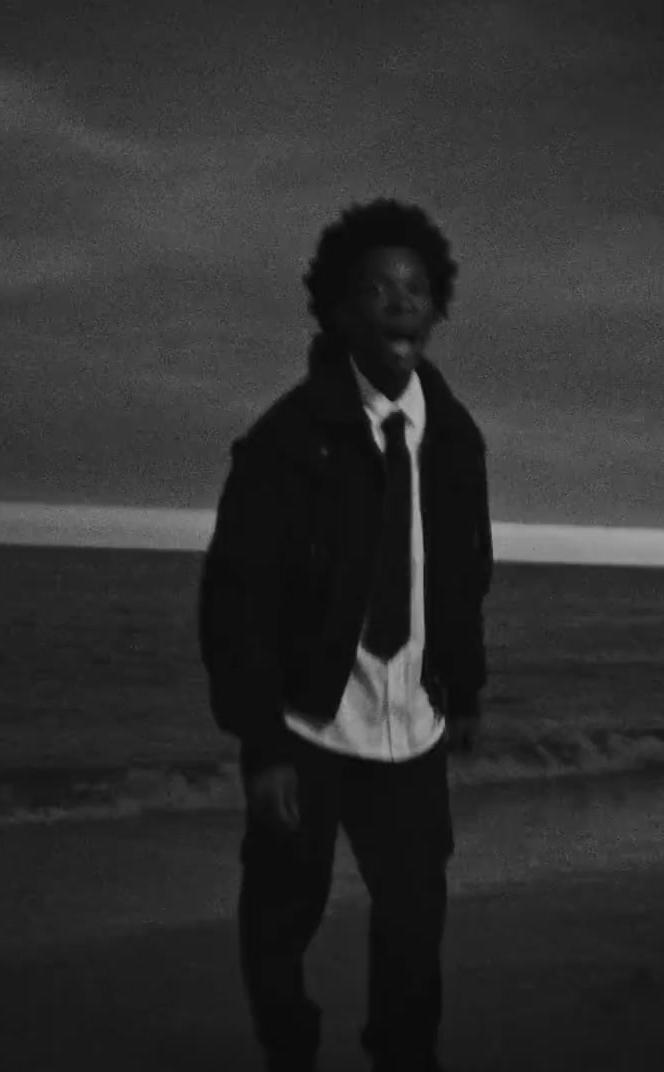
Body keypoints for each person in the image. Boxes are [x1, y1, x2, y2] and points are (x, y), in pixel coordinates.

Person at [198, 198, 493, 1072]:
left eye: (416, 288)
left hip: (415, 726)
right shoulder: (289, 441)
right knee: (283, 913)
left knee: (414, 920)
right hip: (308, 724)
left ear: (437, 308)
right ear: (337, 310)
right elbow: (235, 599)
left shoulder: (458, 439)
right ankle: (288, 1051)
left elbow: (462, 573)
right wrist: (263, 743)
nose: (399, 302)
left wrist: (466, 689)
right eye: (375, 288)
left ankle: (405, 1059)